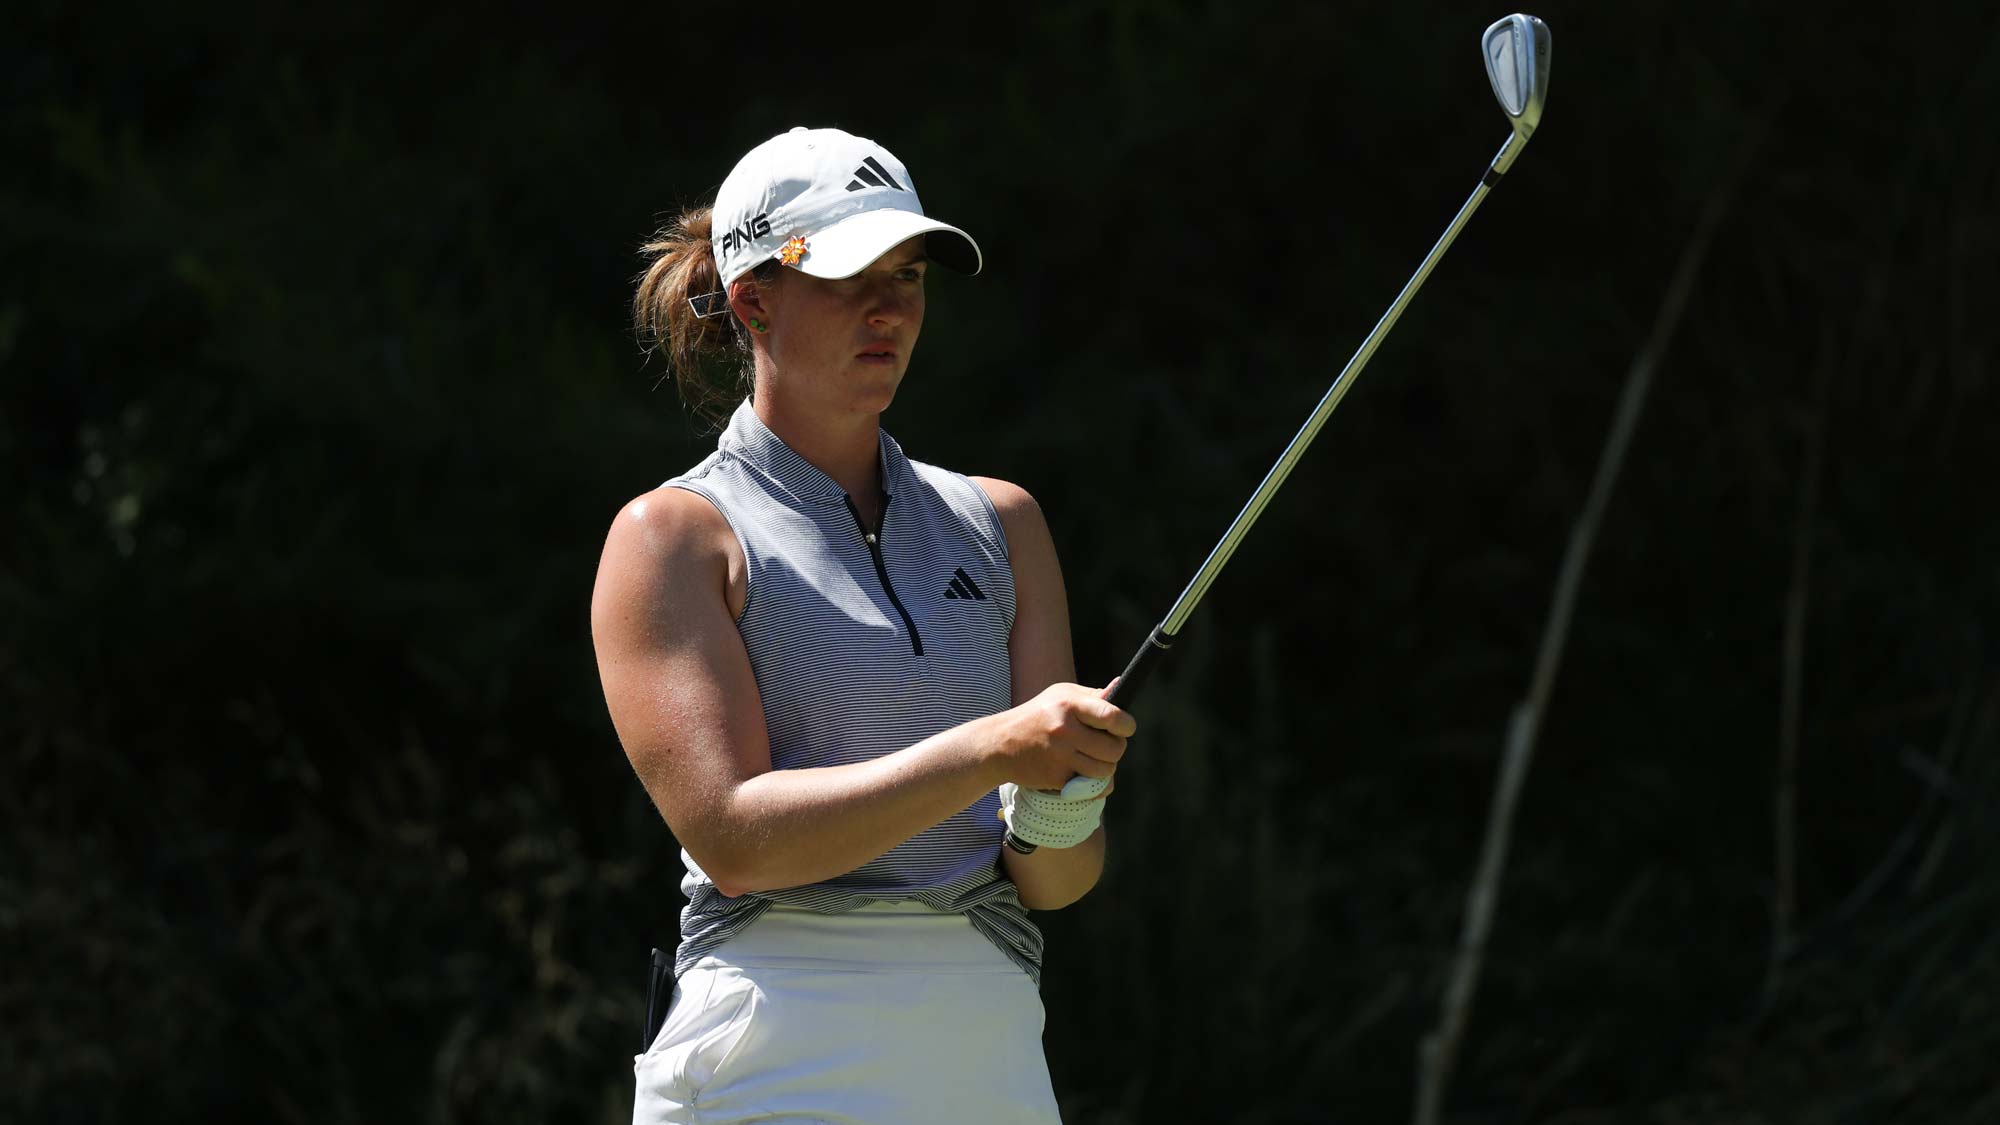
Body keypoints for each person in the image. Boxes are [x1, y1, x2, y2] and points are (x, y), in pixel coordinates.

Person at [591, 126, 1136, 1124]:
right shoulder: (672, 536)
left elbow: (1054, 882)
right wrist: (989, 751)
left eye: (909, 276)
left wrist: (1062, 797)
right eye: (849, 278)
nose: (888, 309)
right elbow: (735, 841)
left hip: (986, 1046)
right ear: (754, 300)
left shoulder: (1001, 524)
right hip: (772, 1043)